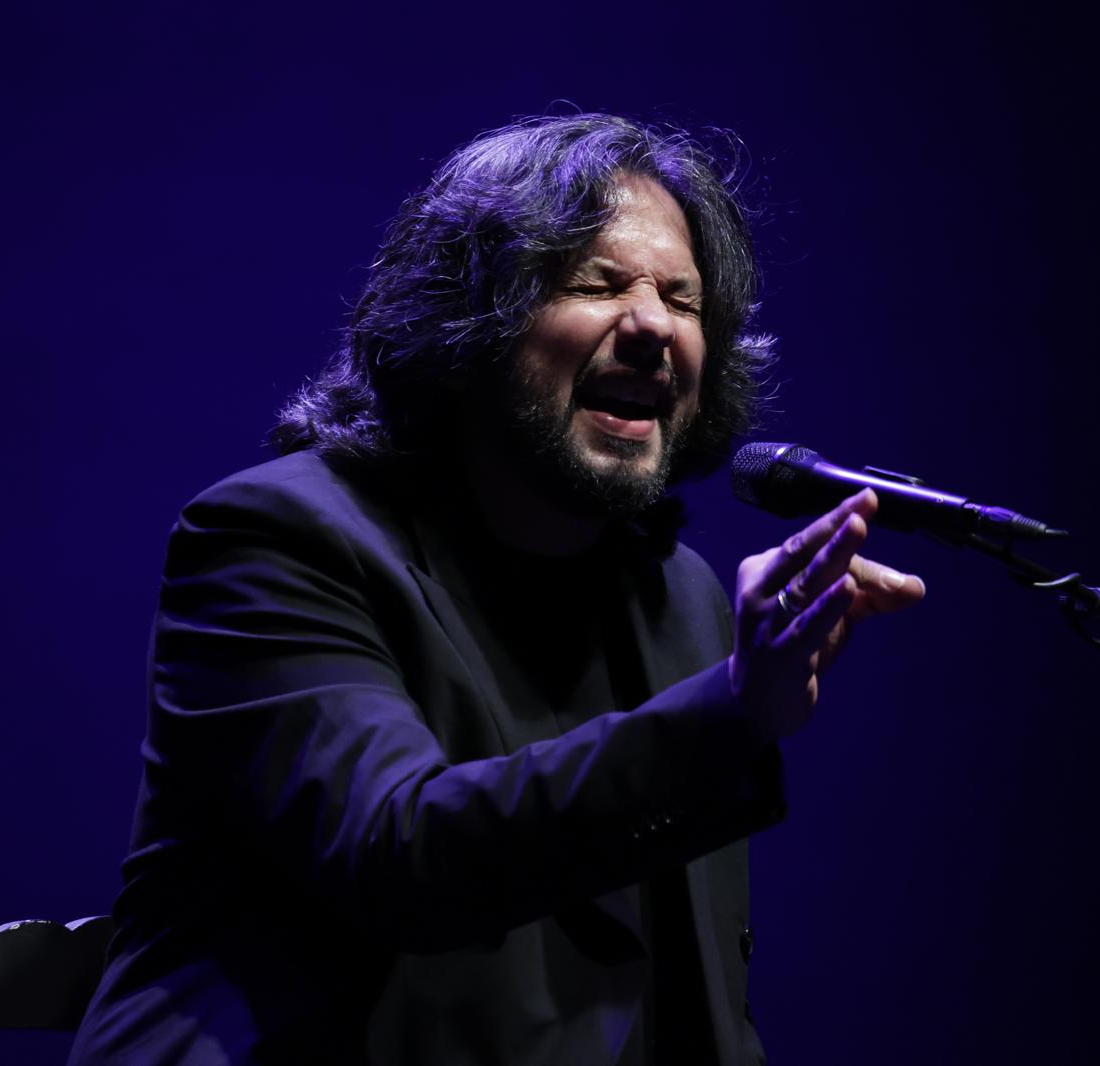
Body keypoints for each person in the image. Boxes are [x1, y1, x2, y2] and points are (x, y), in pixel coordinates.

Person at [69, 113, 924, 1065]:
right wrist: (731, 708)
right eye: (596, 284)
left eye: (682, 300)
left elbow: (697, 1005)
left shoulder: (677, 595)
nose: (653, 325)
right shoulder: (275, 539)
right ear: (467, 324)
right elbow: (402, 862)